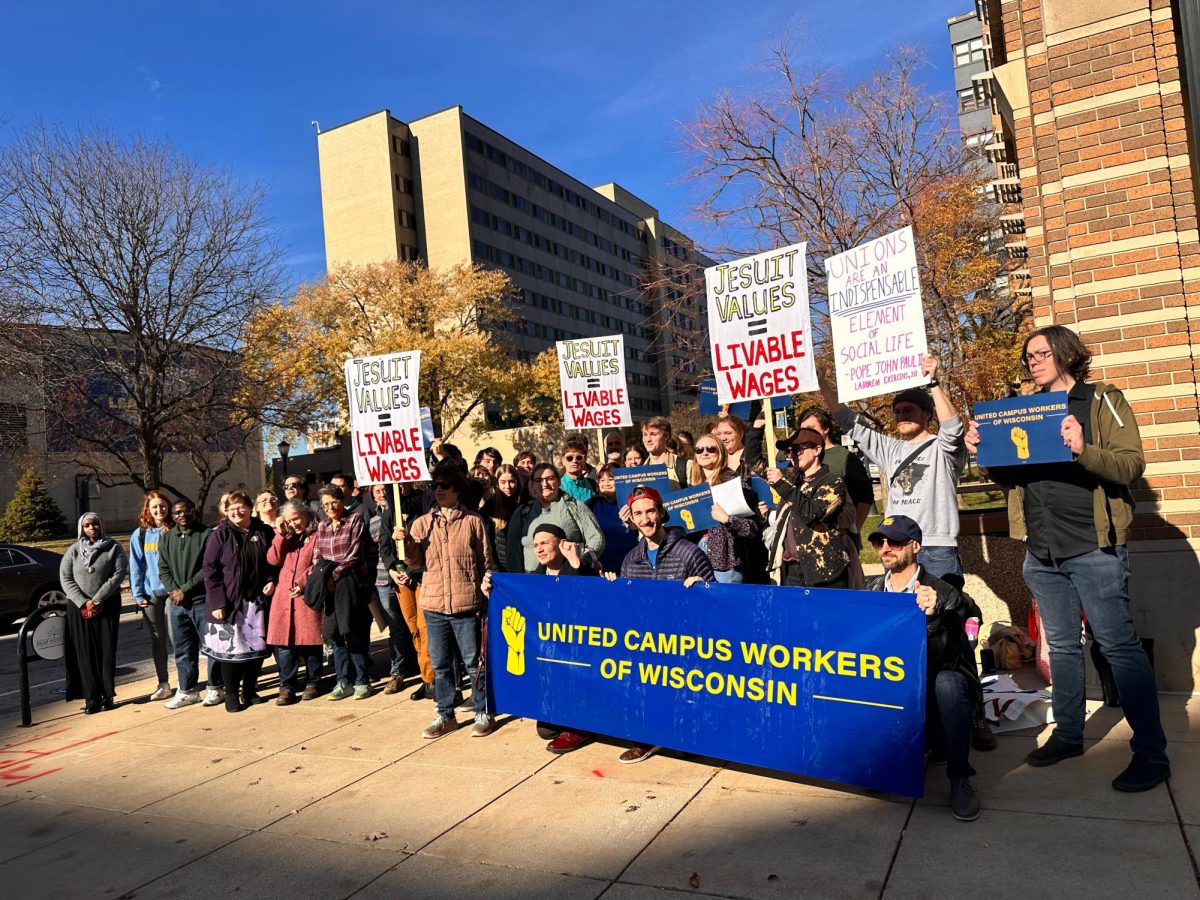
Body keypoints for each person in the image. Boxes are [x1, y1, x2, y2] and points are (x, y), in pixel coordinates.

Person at [966, 325, 1169, 792]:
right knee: (1060, 647)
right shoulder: (1021, 409)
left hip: (1093, 548)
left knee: (1118, 647)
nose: (1032, 363)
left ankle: (1152, 754)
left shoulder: (1101, 400)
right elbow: (1011, 478)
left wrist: (1083, 449)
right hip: (1041, 551)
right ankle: (1070, 734)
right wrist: (985, 455)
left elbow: (1131, 463)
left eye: (1040, 354)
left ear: (1067, 355)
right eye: (1028, 357)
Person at [864, 515, 983, 821]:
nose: (886, 548)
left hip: (932, 680)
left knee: (948, 683)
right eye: (880, 542)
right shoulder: (870, 592)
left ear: (915, 546)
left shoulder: (944, 594)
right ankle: (892, 756)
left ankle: (959, 777)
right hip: (892, 684)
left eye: (896, 542)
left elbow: (957, 651)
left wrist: (932, 617)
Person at [820, 357, 968, 589]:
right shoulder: (891, 449)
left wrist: (934, 383)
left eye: (908, 410)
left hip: (935, 546)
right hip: (897, 545)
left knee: (943, 618)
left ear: (927, 414)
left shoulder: (943, 448)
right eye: (897, 412)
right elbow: (850, 422)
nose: (901, 416)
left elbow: (953, 429)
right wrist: (822, 384)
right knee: (901, 617)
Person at [606, 485, 714, 762]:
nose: (646, 519)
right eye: (638, 514)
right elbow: (626, 609)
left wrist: (704, 589)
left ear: (661, 512)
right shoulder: (631, 561)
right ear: (631, 519)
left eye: (650, 511)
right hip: (648, 642)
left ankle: (684, 733)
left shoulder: (689, 553)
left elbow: (717, 604)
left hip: (685, 642)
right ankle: (644, 739)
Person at [399, 462, 496, 739]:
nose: (438, 490)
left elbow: (485, 562)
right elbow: (414, 563)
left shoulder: (473, 522)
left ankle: (482, 710)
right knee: (440, 664)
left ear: (457, 489)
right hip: (433, 604)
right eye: (435, 486)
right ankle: (445, 713)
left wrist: (487, 586)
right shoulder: (421, 524)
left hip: (466, 604)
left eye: (444, 485)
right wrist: (406, 542)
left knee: (473, 662)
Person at [525, 522, 598, 754]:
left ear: (561, 543)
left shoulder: (581, 566)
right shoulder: (533, 577)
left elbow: (584, 599)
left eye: (545, 543)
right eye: (536, 545)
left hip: (578, 651)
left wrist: (575, 563)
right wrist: (492, 591)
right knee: (545, 730)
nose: (539, 549)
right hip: (550, 651)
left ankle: (582, 726)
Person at [202, 491, 276, 712]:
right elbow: (210, 570)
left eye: (240, 506)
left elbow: (272, 562)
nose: (236, 511)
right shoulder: (220, 534)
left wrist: (271, 579)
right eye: (231, 508)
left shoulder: (262, 531)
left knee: (255, 650)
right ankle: (232, 694)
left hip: (256, 603)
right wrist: (217, 603)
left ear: (250, 507)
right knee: (231, 653)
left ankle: (250, 690)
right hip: (229, 604)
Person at [765, 428, 853, 588]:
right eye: (789, 451)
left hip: (824, 571)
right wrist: (757, 428)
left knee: (826, 613)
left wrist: (782, 484)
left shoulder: (833, 482)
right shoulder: (792, 480)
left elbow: (812, 513)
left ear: (817, 449)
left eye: (798, 449)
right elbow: (756, 463)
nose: (792, 455)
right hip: (792, 569)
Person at [61, 513, 127, 714]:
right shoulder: (73, 550)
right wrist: (84, 602)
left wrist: (97, 600)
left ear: (101, 525)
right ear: (82, 528)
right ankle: (91, 698)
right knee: (85, 653)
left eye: (95, 524)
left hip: (107, 605)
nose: (92, 528)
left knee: (105, 652)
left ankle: (107, 694)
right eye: (87, 525)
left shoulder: (114, 548)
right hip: (78, 608)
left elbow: (118, 575)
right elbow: (65, 578)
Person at [159, 499, 222, 708]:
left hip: (202, 601)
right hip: (178, 605)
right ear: (173, 516)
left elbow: (208, 568)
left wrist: (184, 589)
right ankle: (187, 690)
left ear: (194, 511)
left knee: (212, 646)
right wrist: (173, 591)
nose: (182, 515)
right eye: (177, 512)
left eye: (187, 510)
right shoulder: (167, 538)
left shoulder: (207, 535)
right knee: (183, 649)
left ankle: (215, 688)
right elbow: (163, 569)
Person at [313, 484, 374, 700]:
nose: (330, 507)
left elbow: (354, 553)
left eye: (334, 502)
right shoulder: (322, 526)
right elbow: (317, 554)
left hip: (351, 583)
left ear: (342, 501)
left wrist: (333, 575)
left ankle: (362, 680)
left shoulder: (354, 519)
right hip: (329, 588)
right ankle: (343, 680)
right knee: (334, 635)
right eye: (325, 504)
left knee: (354, 632)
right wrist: (322, 577)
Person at [267, 500, 324, 704]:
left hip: (305, 596)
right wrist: (281, 534)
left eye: (297, 518)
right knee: (285, 644)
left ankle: (314, 681)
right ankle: (287, 686)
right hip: (284, 597)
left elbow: (320, 563)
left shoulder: (318, 535)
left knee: (310, 641)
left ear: (306, 515)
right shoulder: (287, 538)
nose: (294, 523)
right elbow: (273, 560)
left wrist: (303, 582)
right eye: (289, 520)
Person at [689, 435, 764, 584]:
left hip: (726, 562)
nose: (704, 453)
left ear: (721, 452)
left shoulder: (731, 481)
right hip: (698, 554)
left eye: (711, 449)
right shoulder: (694, 486)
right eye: (699, 449)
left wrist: (727, 520)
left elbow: (752, 527)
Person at [506, 463, 606, 574]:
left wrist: (581, 561)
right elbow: (512, 552)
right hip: (532, 583)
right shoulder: (523, 513)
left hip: (567, 580)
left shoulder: (574, 507)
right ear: (532, 485)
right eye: (538, 480)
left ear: (558, 481)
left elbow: (597, 539)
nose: (544, 484)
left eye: (550, 478)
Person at [795, 405, 875, 542]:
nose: (806, 433)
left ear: (826, 429)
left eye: (811, 428)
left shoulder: (844, 458)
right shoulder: (800, 457)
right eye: (803, 430)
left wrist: (854, 529)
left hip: (839, 537)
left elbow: (865, 497)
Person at [367, 484, 416, 695]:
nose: (381, 494)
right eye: (377, 491)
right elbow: (375, 550)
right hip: (383, 580)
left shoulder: (407, 513)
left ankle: (419, 665)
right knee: (395, 627)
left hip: (408, 576)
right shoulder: (372, 521)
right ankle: (398, 671)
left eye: (383, 490)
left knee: (414, 624)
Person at [129, 491, 174, 702]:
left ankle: (188, 682)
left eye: (163, 505)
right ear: (148, 509)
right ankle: (163, 683)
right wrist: (138, 594)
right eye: (155, 506)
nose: (159, 510)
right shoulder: (140, 534)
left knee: (179, 638)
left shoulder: (175, 529)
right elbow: (135, 565)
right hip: (151, 593)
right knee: (158, 640)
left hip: (176, 592)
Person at [588, 464, 639, 574]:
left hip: (630, 565)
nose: (606, 483)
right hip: (602, 567)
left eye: (611, 479)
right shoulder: (591, 504)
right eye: (602, 480)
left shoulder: (632, 503)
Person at [485, 464, 526, 574]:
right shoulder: (490, 506)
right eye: (503, 482)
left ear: (517, 482)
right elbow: (488, 544)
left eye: (511, 481)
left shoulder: (524, 504)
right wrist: (495, 570)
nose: (508, 486)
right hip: (501, 569)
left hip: (524, 567)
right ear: (497, 484)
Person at [641, 417, 688, 488]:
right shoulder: (639, 471)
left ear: (666, 436)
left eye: (653, 434)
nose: (648, 439)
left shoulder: (686, 466)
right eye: (645, 435)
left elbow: (697, 497)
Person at [558, 436, 598, 503]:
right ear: (563, 460)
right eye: (569, 458)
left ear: (585, 459)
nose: (575, 461)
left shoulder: (593, 485)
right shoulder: (557, 486)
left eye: (579, 457)